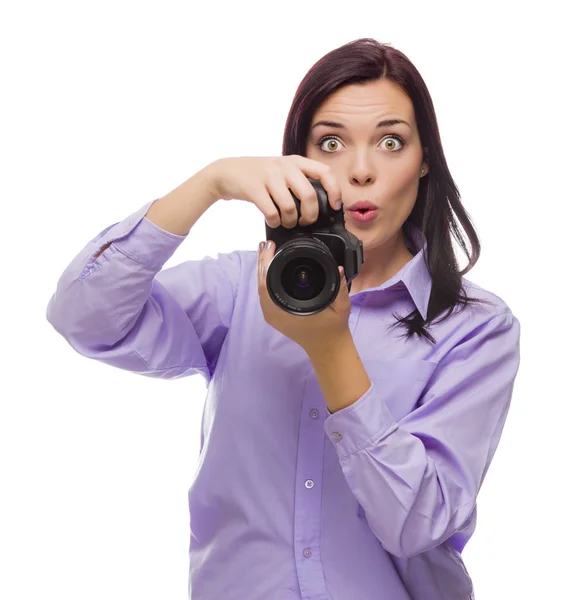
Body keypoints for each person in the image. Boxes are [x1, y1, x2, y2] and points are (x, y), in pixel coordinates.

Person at [46, 38, 521, 600]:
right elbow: (82, 316)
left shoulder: (476, 328)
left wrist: (329, 348)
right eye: (331, 142)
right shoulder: (235, 288)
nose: (362, 170)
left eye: (391, 142)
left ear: (424, 164)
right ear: (298, 161)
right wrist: (210, 183)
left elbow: (416, 523)